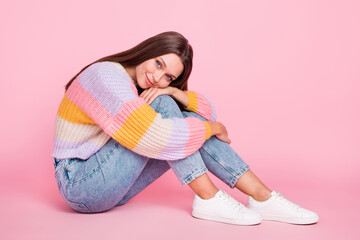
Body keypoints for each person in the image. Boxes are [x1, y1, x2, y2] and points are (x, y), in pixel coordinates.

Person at [52, 31, 319, 225]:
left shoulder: (144, 87)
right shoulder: (106, 76)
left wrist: (176, 93)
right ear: (147, 50)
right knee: (169, 119)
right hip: (79, 185)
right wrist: (214, 127)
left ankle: (262, 196)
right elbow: (160, 136)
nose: (158, 77)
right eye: (158, 63)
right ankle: (209, 197)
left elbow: (205, 114)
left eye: (168, 76)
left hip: (112, 188)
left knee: (173, 111)